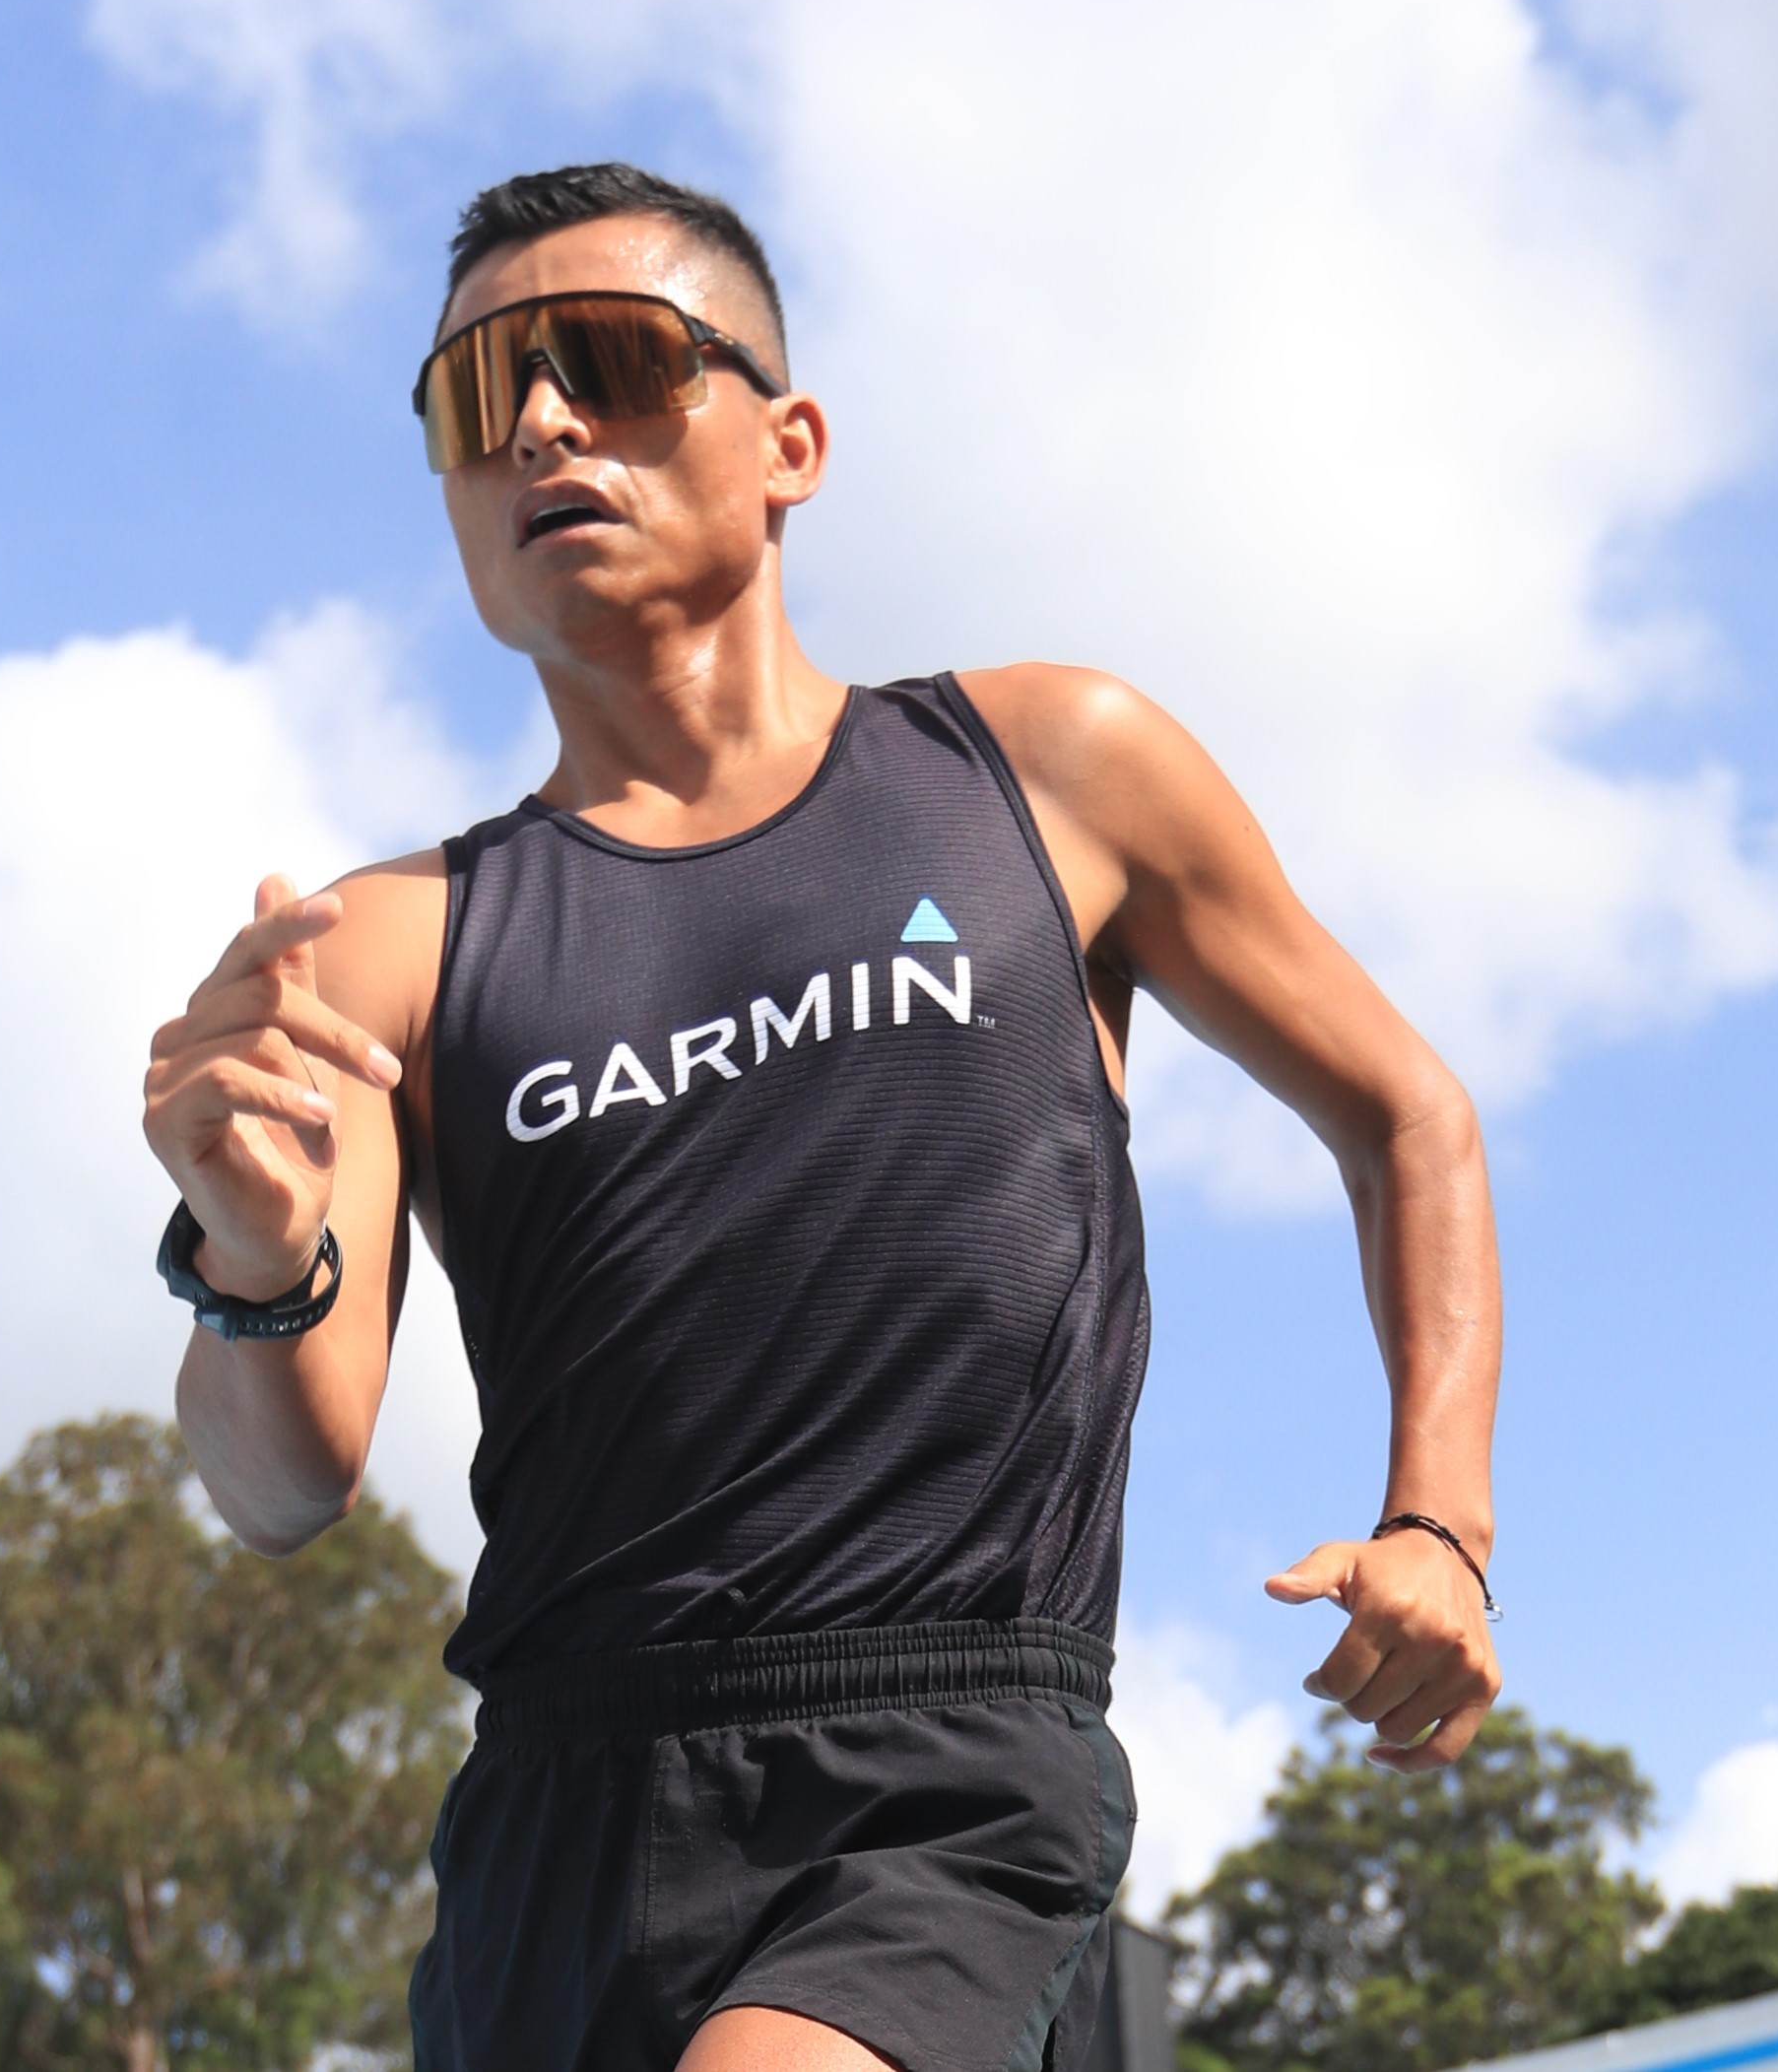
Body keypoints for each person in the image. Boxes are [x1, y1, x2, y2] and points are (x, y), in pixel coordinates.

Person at [138, 164, 1503, 2072]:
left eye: (607, 362)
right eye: (473, 399)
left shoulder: (1046, 769)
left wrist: (1438, 1516)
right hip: (554, 1816)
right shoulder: (384, 950)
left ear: (790, 442)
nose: (535, 423)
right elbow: (282, 1486)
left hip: (935, 1766)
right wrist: (257, 1257)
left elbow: (1408, 1115)